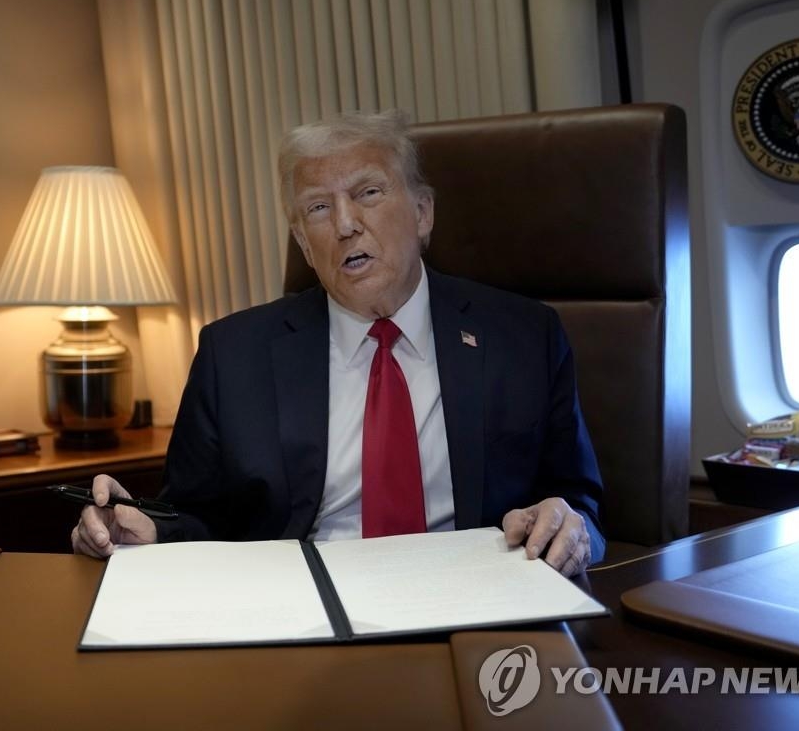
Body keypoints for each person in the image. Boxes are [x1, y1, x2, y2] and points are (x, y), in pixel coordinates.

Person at [71, 110, 605, 576]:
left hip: (476, 597)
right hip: (301, 611)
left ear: (423, 213)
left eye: (368, 193)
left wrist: (568, 524)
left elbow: (580, 502)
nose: (346, 224)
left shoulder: (522, 336)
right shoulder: (232, 355)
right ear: (304, 242)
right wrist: (144, 532)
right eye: (318, 209)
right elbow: (194, 515)